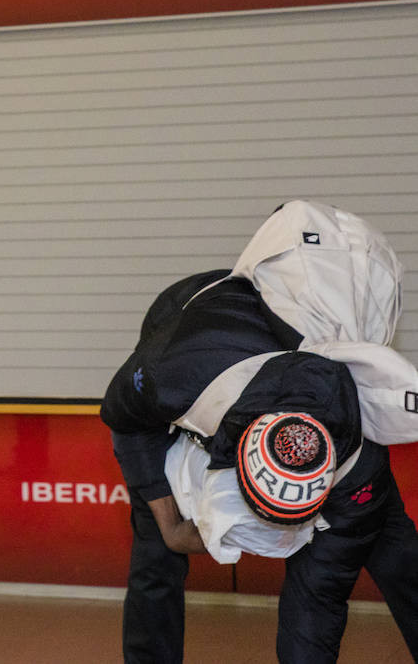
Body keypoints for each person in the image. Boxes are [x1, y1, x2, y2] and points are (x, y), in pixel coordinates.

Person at [101, 201, 418, 663]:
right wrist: (169, 522)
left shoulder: (356, 465)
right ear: (230, 458)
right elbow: (124, 420)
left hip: (322, 422)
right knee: (156, 555)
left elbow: (317, 608)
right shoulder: (175, 374)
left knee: (396, 552)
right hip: (192, 325)